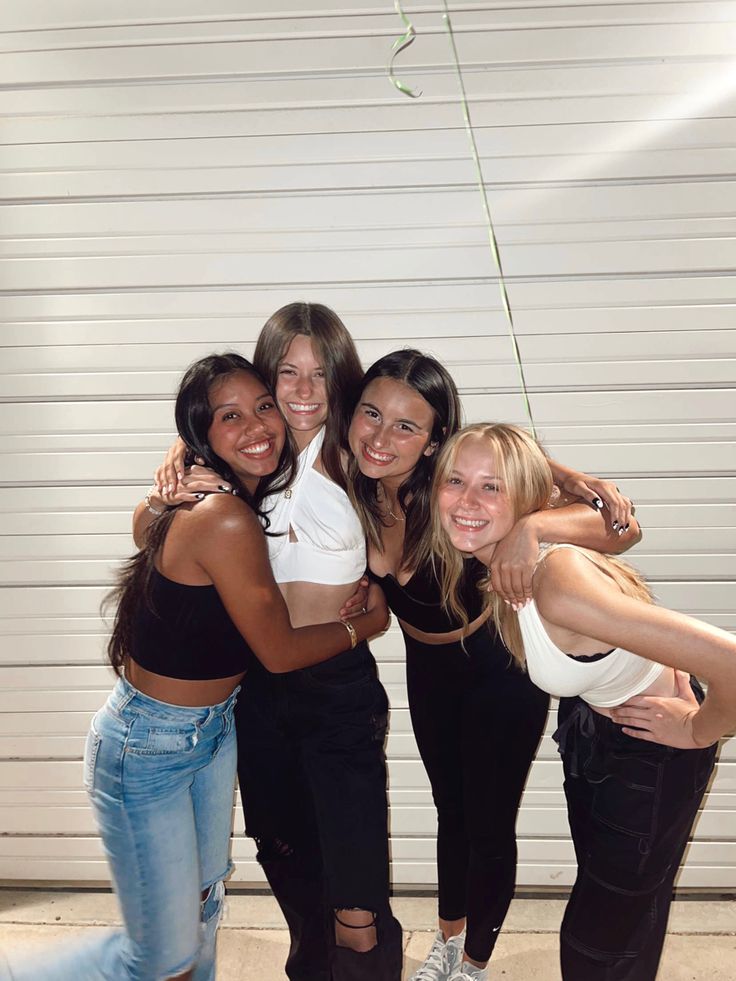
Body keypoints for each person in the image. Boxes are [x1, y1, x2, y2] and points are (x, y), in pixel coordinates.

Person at [0, 354, 388, 981]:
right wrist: (366, 623)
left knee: (202, 915)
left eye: (265, 406)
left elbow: (144, 525)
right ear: (201, 433)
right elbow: (279, 651)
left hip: (209, 731)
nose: (257, 425)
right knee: (162, 953)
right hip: (147, 744)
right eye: (229, 417)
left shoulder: (240, 490)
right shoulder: (225, 515)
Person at [346, 350, 641, 981]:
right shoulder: (352, 487)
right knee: (448, 810)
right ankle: (448, 941)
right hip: (427, 672)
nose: (382, 435)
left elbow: (620, 531)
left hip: (497, 669)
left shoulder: (452, 490)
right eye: (371, 413)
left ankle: (474, 962)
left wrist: (533, 525)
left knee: (487, 821)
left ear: (434, 441)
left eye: (407, 426)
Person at [141, 305, 403, 981]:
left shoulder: (358, 448)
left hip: (337, 692)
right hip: (255, 693)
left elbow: (456, 444)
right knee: (284, 854)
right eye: (287, 372)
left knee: (355, 896)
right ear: (267, 378)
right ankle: (309, 963)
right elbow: (152, 530)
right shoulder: (248, 452)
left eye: (321, 372)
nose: (305, 390)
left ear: (343, 376)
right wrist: (165, 484)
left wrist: (560, 478)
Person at [432, 422, 733, 981]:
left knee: (593, 948)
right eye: (455, 481)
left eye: (491, 487)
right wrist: (560, 488)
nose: (466, 501)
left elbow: (732, 663)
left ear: (525, 497)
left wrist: (697, 729)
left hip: (650, 757)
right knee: (627, 923)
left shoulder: (557, 580)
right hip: (596, 731)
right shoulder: (510, 560)